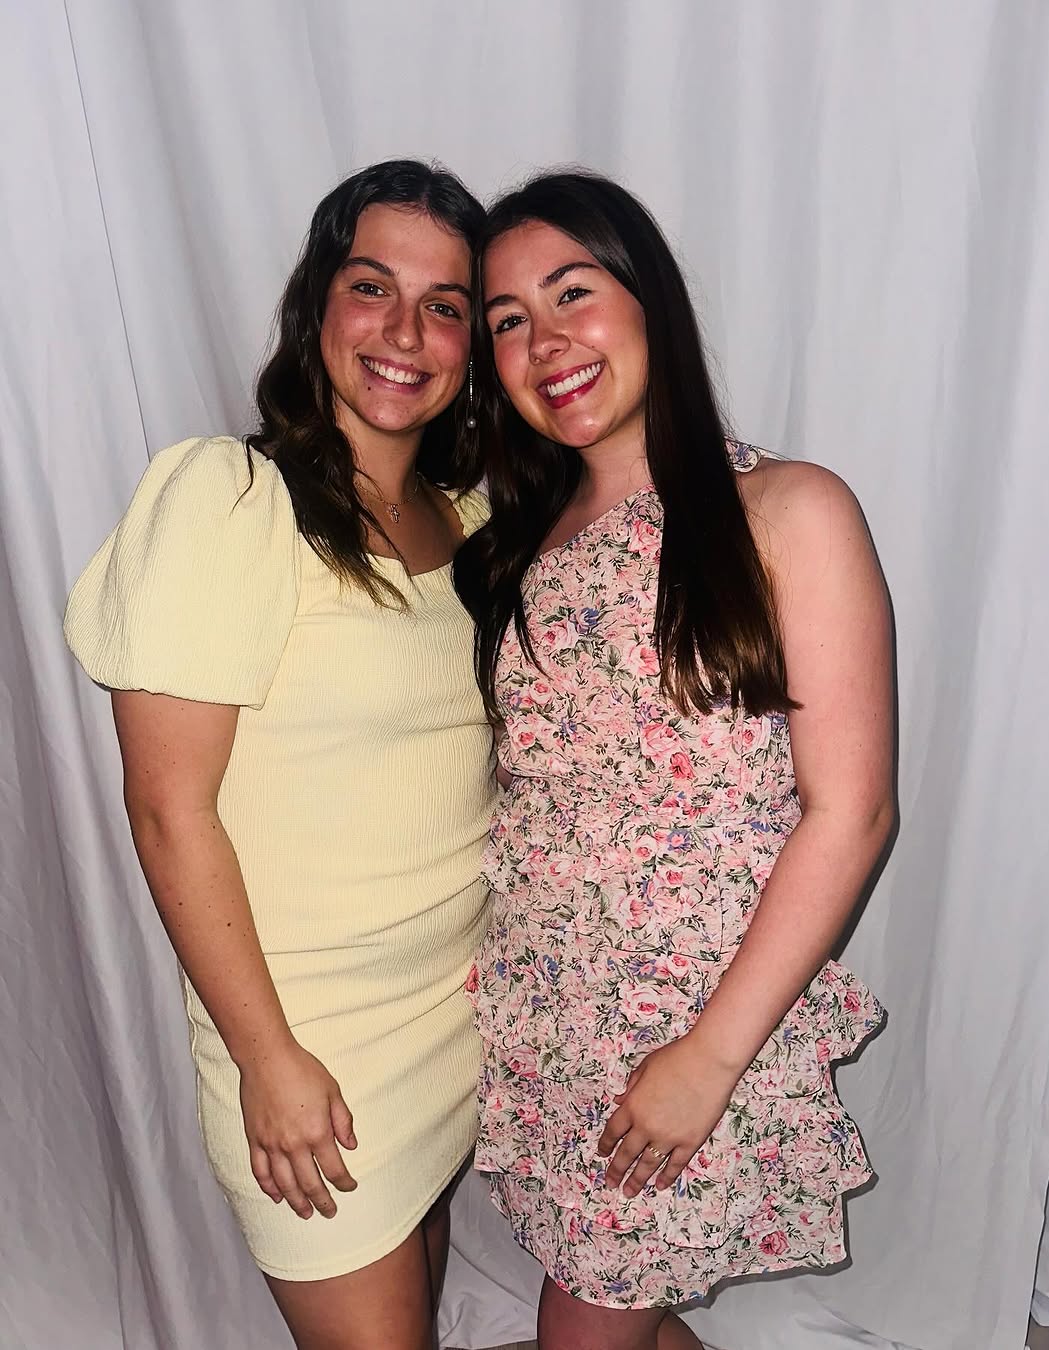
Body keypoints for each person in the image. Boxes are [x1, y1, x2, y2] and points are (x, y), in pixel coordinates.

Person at [452, 170, 895, 1350]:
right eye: (508, 322)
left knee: (588, 1318)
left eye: (573, 294)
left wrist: (710, 1056)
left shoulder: (789, 511)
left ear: (650, 301)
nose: (546, 342)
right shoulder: (511, 549)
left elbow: (852, 812)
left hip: (696, 1017)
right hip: (552, 1011)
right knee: (609, 1299)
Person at [64, 160, 495, 1350]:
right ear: (317, 305)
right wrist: (266, 1058)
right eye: (372, 287)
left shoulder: (470, 520)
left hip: (451, 1013)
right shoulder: (229, 501)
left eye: (445, 305)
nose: (404, 331)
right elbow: (169, 811)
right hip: (314, 1038)